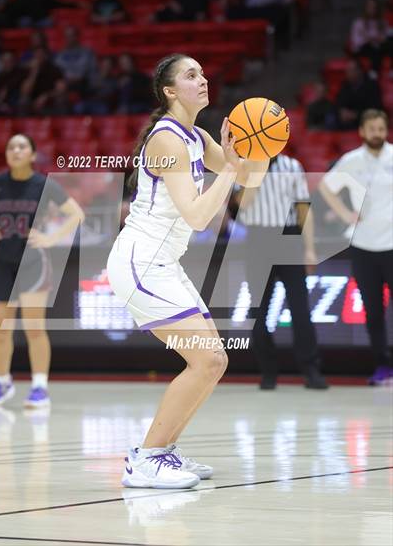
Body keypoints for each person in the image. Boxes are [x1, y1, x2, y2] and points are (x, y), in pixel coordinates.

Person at [107, 53, 269, 489]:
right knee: (207, 358)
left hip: (163, 263)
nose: (203, 79)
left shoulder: (195, 136)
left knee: (214, 362)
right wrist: (232, 168)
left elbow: (250, 182)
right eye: (191, 75)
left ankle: (164, 453)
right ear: (170, 91)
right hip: (140, 261)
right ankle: (147, 457)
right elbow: (199, 216)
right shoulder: (167, 141)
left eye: (203, 71)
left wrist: (264, 147)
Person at [0, 134, 85, 407]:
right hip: (1, 261)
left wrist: (49, 239)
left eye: (22, 146)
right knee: (1, 329)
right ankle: (2, 382)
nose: (16, 150)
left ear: (33, 155)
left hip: (32, 262)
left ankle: (39, 387)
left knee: (34, 328)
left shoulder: (43, 184)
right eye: (11, 146)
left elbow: (76, 214)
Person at [235, 153, 328, 390]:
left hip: (289, 238)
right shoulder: (244, 164)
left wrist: (309, 249)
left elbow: (303, 208)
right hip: (257, 239)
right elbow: (243, 203)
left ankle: (310, 369)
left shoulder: (293, 165)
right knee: (258, 311)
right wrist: (256, 170)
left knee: (300, 308)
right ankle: (268, 372)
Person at [319, 109, 393, 385]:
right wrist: (343, 213)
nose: (377, 134)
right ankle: (383, 365)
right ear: (362, 131)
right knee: (373, 311)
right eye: (372, 129)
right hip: (362, 245)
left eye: (381, 129)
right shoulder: (351, 161)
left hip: (392, 243)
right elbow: (326, 186)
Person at [335, 58, 383, 130]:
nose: (348, 73)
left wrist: (355, 115)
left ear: (359, 71)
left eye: (351, 70)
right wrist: (342, 111)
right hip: (347, 121)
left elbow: (375, 108)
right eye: (347, 70)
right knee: (331, 119)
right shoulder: (345, 85)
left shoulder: (371, 85)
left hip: (365, 120)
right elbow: (338, 102)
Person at [349, 0, 389, 75]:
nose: (372, 9)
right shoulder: (358, 23)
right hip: (363, 48)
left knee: (385, 46)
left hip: (379, 48)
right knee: (373, 48)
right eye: (369, 7)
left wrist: (372, 38)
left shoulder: (382, 23)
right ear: (365, 8)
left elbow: (384, 38)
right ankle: (373, 74)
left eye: (374, 7)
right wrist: (370, 39)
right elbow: (356, 42)